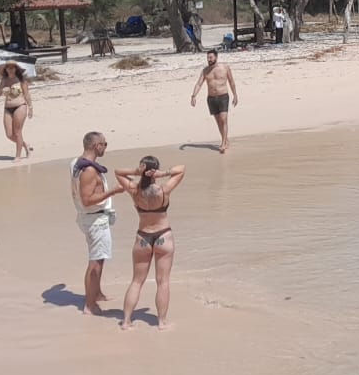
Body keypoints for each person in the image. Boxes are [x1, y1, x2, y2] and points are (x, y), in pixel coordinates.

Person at [115, 155, 186, 330]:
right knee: (163, 281)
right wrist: (163, 174)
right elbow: (181, 169)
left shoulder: (134, 190)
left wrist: (136, 172)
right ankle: (161, 322)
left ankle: (126, 321)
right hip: (163, 235)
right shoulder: (164, 190)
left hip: (143, 237)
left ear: (142, 170)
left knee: (137, 281)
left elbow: (117, 173)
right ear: (155, 171)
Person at [71, 132, 125, 315]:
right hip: (95, 219)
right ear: (96, 146)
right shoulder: (89, 171)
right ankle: (89, 304)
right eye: (104, 144)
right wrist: (113, 192)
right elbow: (87, 199)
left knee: (99, 258)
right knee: (95, 263)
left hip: (91, 218)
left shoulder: (76, 163)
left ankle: (97, 293)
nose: (106, 147)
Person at [0, 60, 34, 159]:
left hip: (20, 106)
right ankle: (25, 145)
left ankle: (18, 156)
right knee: (9, 134)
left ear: (16, 69)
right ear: (5, 69)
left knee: (17, 132)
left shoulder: (21, 80)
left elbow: (27, 94)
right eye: (8, 67)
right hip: (7, 108)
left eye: (12, 67)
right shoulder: (4, 80)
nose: (10, 69)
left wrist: (30, 108)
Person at [190, 49, 239, 152]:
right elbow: (199, 84)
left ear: (216, 57)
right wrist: (194, 96)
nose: (209, 59)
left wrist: (235, 95)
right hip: (211, 98)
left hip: (223, 96)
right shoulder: (205, 71)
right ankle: (225, 140)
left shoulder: (225, 67)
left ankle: (223, 143)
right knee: (218, 122)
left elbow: (231, 82)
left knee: (223, 119)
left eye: (211, 57)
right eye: (208, 58)